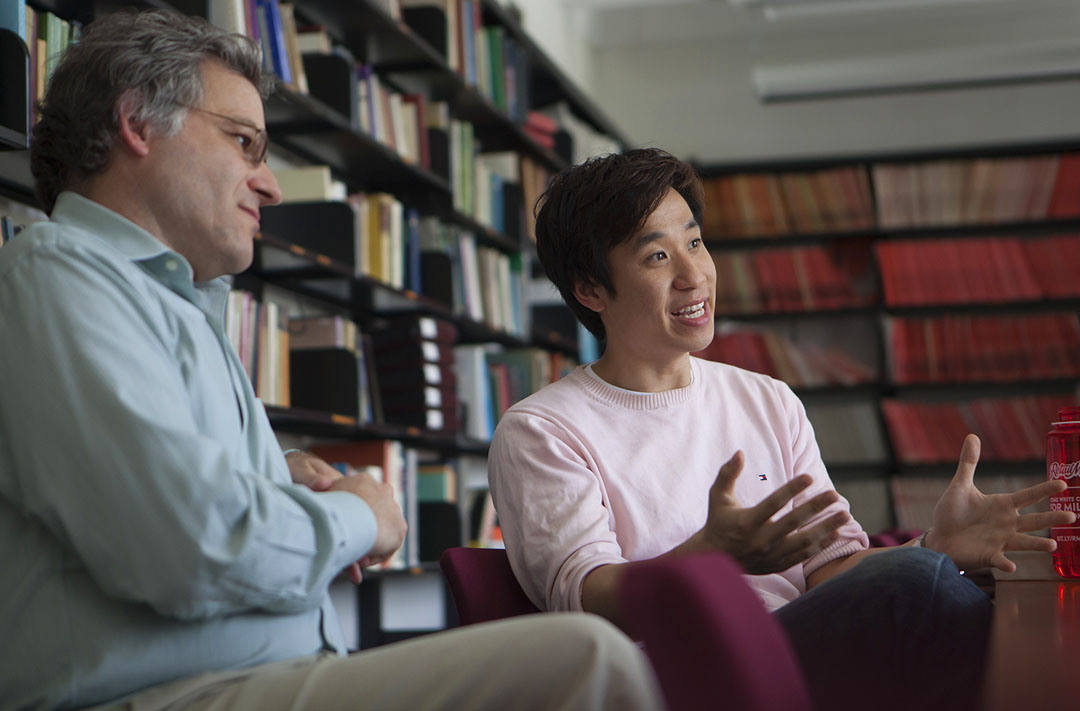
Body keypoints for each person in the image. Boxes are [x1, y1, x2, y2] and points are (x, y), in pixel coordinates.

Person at [0, 10, 664, 711]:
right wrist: (356, 517)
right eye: (244, 143)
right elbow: (191, 547)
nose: (271, 185)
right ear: (136, 123)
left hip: (260, 675)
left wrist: (275, 486)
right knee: (585, 659)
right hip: (167, 693)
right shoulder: (57, 274)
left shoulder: (168, 302)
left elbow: (166, 506)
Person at [488, 147, 1078, 710]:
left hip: (793, 653)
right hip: (669, 680)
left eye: (695, 243)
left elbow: (832, 572)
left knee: (969, 587)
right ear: (591, 288)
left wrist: (935, 547)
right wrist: (709, 559)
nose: (695, 276)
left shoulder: (768, 399)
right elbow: (586, 602)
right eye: (658, 257)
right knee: (920, 590)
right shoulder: (542, 429)